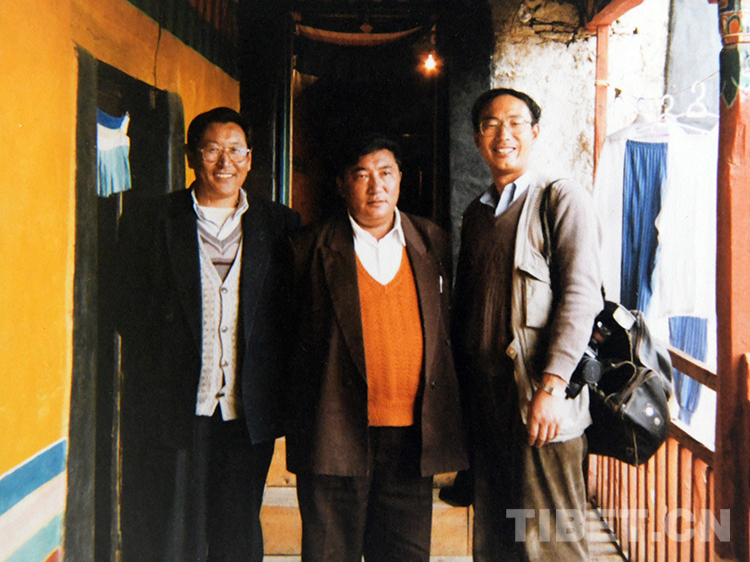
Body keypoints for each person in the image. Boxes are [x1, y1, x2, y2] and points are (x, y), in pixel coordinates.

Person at [113, 107, 301, 562]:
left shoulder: (280, 225)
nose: (225, 162)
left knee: (237, 532)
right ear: (191, 156)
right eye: (212, 149)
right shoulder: (150, 219)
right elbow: (124, 308)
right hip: (172, 407)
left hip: (246, 412)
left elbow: (290, 316)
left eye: (235, 150)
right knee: (166, 530)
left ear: (250, 159)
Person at [286, 134, 468, 562]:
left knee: (405, 554)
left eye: (386, 173)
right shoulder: (308, 248)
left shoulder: (431, 241)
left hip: (411, 438)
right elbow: (288, 340)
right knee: (330, 554)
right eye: (361, 174)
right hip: (333, 433)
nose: (376, 186)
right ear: (341, 184)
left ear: (400, 178)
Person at [452, 88, 603, 561]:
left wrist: (552, 387)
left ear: (535, 132)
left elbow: (582, 296)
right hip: (488, 407)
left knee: (552, 543)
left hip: (538, 401)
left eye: (516, 123)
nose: (504, 134)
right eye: (491, 124)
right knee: (498, 540)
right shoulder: (476, 214)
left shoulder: (559, 198)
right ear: (477, 138)